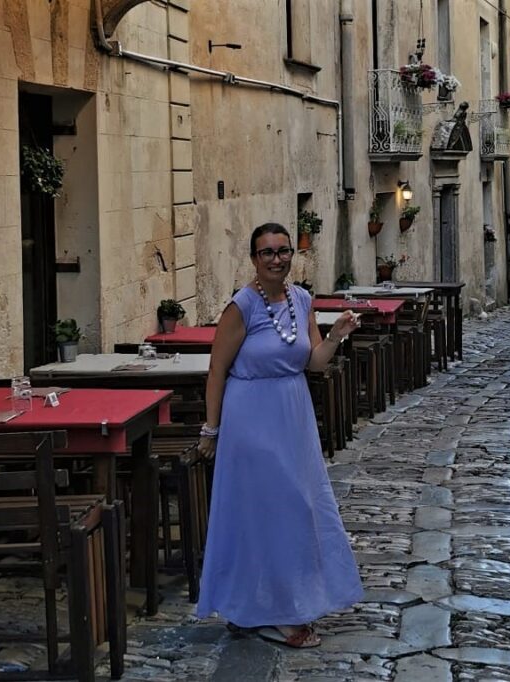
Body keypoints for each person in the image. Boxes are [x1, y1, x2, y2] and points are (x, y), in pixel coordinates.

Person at [195, 223, 364, 648]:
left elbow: (314, 363)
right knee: (263, 511)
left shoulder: (302, 298)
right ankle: (266, 609)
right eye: (267, 252)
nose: (276, 259)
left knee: (299, 507)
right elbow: (216, 371)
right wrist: (211, 428)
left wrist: (336, 336)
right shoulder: (242, 306)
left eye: (283, 251)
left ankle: (279, 603)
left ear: (293, 255)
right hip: (250, 417)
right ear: (254, 258)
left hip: (293, 415)